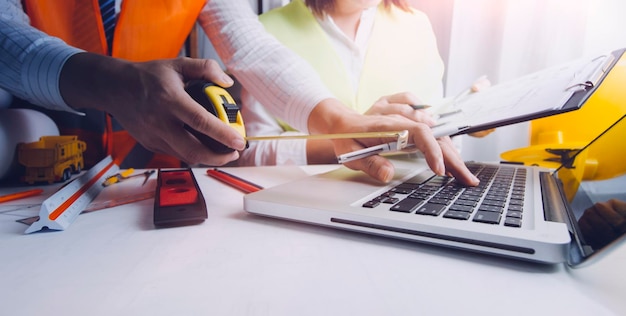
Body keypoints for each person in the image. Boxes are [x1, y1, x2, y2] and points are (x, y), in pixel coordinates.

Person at [0, 0, 478, 186]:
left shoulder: (414, 26)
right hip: (29, 160)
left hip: (132, 177)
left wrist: (333, 119)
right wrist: (113, 83)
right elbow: (6, 39)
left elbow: (251, 47)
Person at [238, 0, 489, 167]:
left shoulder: (416, 24)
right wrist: (357, 138)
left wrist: (463, 122)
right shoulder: (265, 33)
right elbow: (251, 154)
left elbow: (432, 123)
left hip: (407, 194)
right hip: (313, 201)